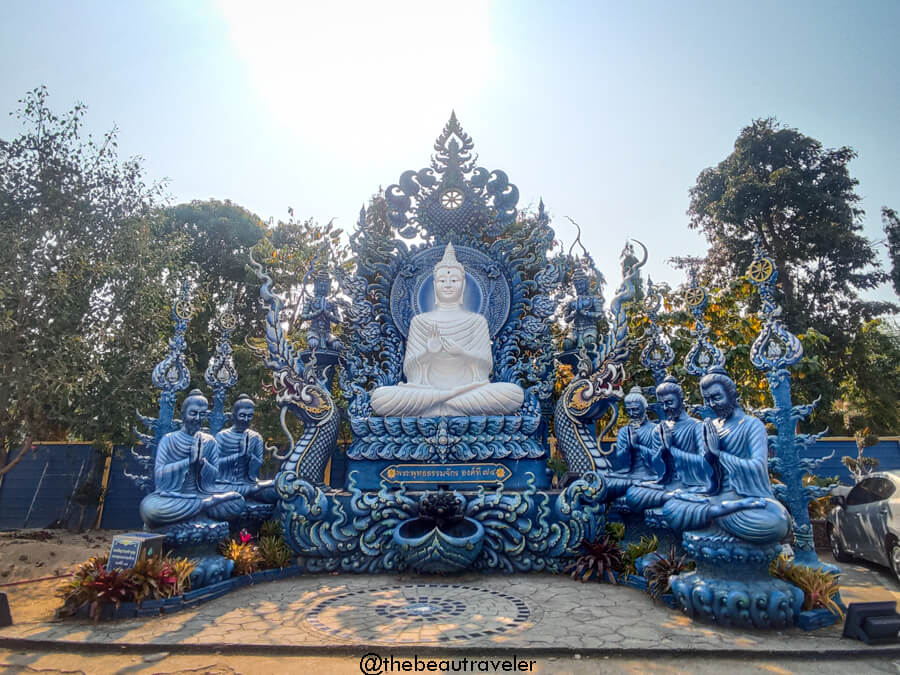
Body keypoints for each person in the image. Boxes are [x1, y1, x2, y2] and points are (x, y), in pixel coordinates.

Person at [370, 243, 524, 417]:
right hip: (427, 392)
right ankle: (452, 405)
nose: (448, 285)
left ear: (463, 285)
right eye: (442, 280)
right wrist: (428, 352)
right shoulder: (420, 321)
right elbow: (410, 370)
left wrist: (462, 353)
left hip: (469, 391)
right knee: (380, 397)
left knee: (513, 394)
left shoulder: (476, 321)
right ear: (435, 285)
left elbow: (486, 367)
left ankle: (436, 407)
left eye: (454, 280)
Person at [660, 367, 790, 544]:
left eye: (716, 397)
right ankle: (720, 511)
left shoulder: (752, 425)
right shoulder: (710, 426)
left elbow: (758, 466)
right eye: (707, 400)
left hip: (748, 498)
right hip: (716, 496)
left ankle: (717, 514)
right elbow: (704, 475)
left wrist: (718, 454)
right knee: (671, 507)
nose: (712, 404)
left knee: (778, 523)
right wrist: (708, 459)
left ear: (731, 394)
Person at [140, 390, 245, 528]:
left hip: (201, 494)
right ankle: (203, 507)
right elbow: (159, 476)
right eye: (193, 413)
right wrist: (188, 462)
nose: (197, 418)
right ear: (183, 414)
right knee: (149, 508)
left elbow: (214, 477)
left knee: (237, 501)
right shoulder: (169, 440)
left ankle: (201, 506)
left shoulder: (210, 441)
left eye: (202, 414)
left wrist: (203, 464)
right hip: (174, 497)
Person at [625, 376, 713, 513]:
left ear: (681, 400)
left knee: (675, 508)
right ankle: (673, 497)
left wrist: (671, 449)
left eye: (669, 402)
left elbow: (705, 465)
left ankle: (677, 498)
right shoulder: (660, 429)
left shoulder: (697, 426)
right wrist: (661, 450)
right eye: (662, 404)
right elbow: (656, 469)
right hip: (667, 484)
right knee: (633, 494)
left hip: (690, 484)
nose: (666, 408)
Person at [214, 394, 277, 504]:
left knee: (274, 487)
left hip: (249, 484)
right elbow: (215, 466)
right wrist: (239, 456)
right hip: (225, 485)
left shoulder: (256, 437)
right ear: (234, 415)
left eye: (250, 416)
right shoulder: (222, 436)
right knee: (227, 495)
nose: (246, 419)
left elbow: (256, 468)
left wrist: (249, 457)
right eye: (242, 415)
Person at [604, 387, 663, 500]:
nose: (632, 413)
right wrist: (627, 446)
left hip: (649, 475)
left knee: (642, 488)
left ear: (644, 408)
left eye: (635, 409)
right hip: (630, 475)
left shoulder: (655, 429)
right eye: (629, 410)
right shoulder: (624, 431)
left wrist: (637, 446)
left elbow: (659, 460)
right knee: (605, 483)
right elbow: (622, 461)